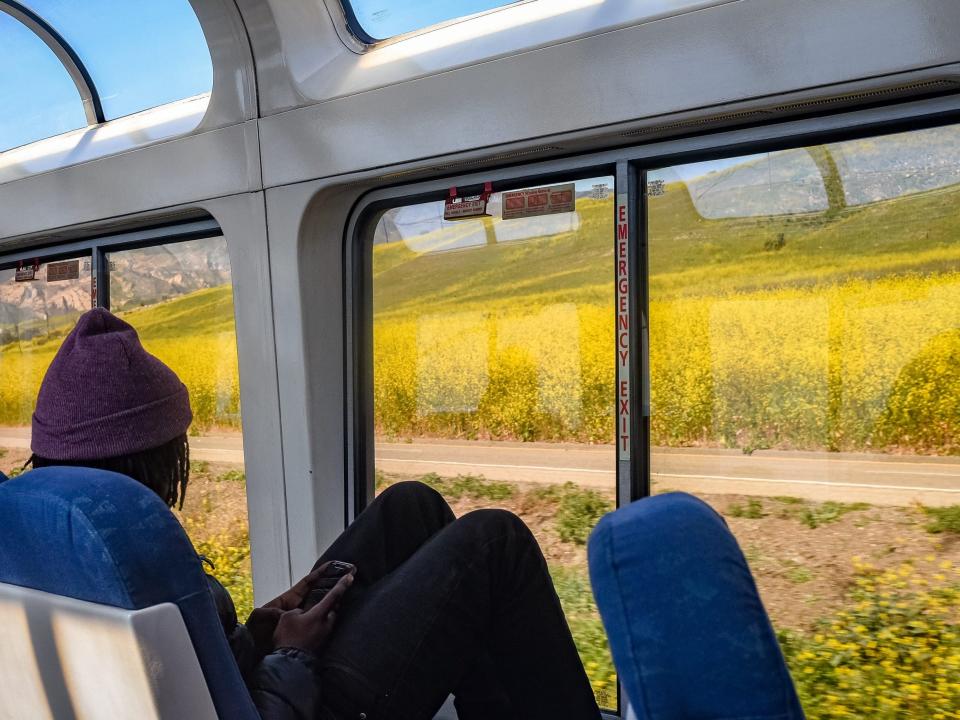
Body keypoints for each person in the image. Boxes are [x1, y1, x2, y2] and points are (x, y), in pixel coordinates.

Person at [27, 308, 601, 720]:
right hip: (294, 704)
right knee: (493, 542)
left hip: (258, 679)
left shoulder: (55, 535)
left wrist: (258, 626)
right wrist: (290, 652)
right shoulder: (138, 543)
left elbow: (186, 664)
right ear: (150, 455)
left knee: (411, 507)